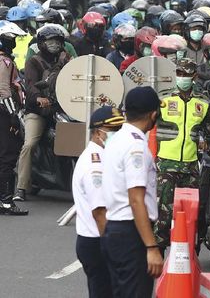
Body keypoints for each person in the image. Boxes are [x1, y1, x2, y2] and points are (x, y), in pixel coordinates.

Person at [101, 86, 162, 298]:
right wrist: (151, 246)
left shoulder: (115, 139)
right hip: (131, 234)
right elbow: (136, 200)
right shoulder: (136, 147)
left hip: (115, 229)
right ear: (153, 114)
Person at [154, 58, 210, 250]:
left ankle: (190, 252)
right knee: (163, 214)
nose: (181, 77)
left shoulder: (202, 103)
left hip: (191, 167)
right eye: (179, 73)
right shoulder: (164, 99)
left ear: (194, 76)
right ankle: (157, 253)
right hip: (166, 164)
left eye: (186, 74)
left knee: (192, 214)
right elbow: (147, 125)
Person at [14, 26, 71, 201]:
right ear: (41, 43)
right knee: (30, 144)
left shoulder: (67, 59)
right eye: (50, 41)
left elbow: (77, 78)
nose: (54, 44)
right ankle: (21, 188)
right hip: (38, 111)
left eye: (58, 41)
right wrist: (38, 98)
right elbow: (30, 84)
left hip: (61, 109)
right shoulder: (34, 61)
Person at [73, 107, 124, 298]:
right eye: (113, 130)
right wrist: (113, 248)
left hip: (101, 239)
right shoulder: (94, 164)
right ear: (97, 132)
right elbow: (100, 212)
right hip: (98, 241)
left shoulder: (105, 156)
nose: (117, 134)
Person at [0, 27, 27, 215]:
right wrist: (13, 117)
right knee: (8, 156)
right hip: (4, 113)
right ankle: (7, 202)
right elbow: (4, 91)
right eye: (12, 39)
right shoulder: (5, 61)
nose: (15, 42)